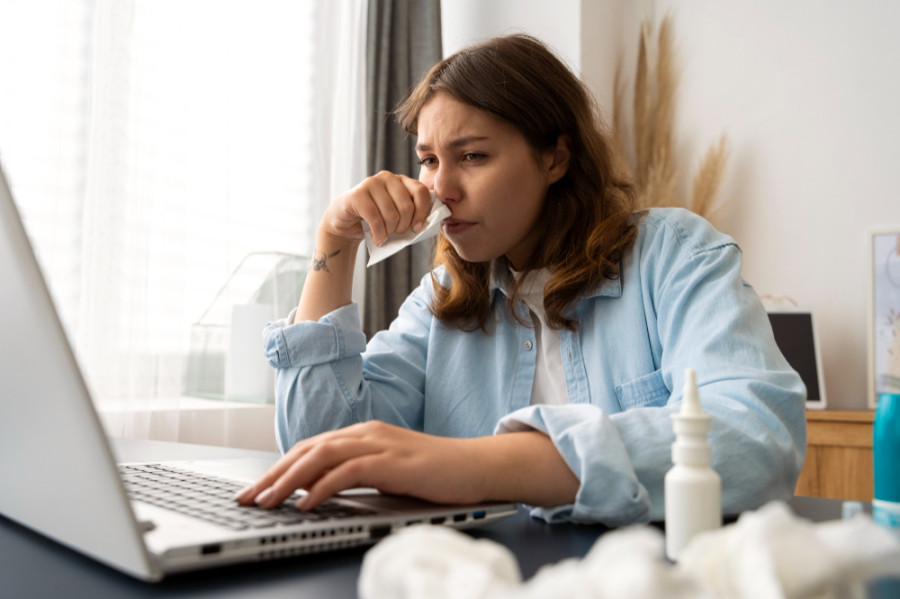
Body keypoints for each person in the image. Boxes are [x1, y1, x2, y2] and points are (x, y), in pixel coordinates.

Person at [236, 34, 806, 525]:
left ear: (555, 158)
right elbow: (318, 451)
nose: (441, 189)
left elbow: (755, 437)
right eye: (429, 160)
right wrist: (335, 245)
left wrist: (475, 467)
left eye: (473, 156)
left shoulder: (674, 255)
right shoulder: (440, 301)